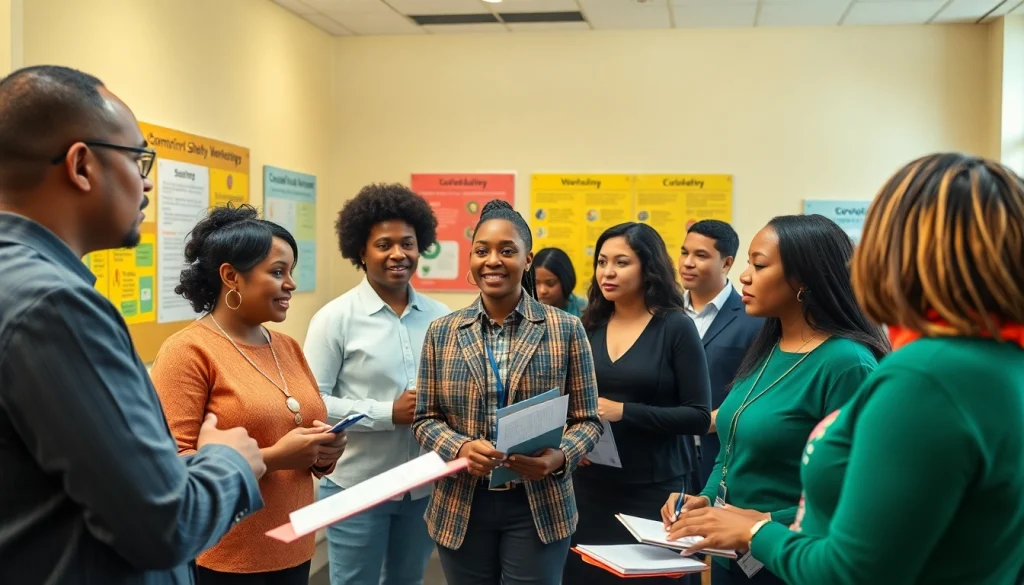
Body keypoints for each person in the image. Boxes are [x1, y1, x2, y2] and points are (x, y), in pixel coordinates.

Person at [667, 153, 1024, 584]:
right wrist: (715, 507)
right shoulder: (998, 358)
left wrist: (755, 529)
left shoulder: (923, 375)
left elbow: (852, 569)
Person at [0, 65, 265, 584]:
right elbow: (163, 524)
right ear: (81, 165)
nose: (146, 182)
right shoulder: (54, 306)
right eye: (138, 159)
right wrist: (227, 462)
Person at [661, 214, 889, 585]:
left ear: (803, 281)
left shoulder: (847, 363)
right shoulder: (767, 346)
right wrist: (703, 502)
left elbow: (855, 489)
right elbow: (731, 447)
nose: (744, 277)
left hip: (790, 558)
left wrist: (759, 522)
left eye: (759, 265)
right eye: (748, 263)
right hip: (731, 556)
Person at [150, 204, 346, 585]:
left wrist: (323, 454)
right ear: (230, 277)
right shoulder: (187, 351)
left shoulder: (286, 345)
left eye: (291, 271)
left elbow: (297, 429)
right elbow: (172, 466)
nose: (290, 283)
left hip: (293, 542)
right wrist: (275, 458)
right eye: (277, 272)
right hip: (225, 556)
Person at [413, 199, 603, 585]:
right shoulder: (442, 332)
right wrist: (461, 448)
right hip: (462, 501)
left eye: (507, 251)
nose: (493, 260)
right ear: (471, 259)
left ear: (528, 259)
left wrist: (560, 457)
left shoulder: (565, 328)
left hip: (539, 503)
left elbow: (588, 420)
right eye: (482, 251)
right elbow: (425, 419)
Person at [304, 183, 449, 585]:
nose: (398, 254)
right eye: (384, 244)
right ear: (361, 252)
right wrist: (388, 413)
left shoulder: (441, 318)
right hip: (356, 483)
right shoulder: (335, 318)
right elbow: (311, 400)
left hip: (420, 485)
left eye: (408, 243)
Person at [562, 222, 712, 585]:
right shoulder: (588, 325)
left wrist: (623, 411)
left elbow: (698, 416)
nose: (607, 272)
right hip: (592, 484)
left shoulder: (675, 326)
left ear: (648, 267)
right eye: (601, 262)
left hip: (656, 490)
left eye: (621, 262)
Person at [678, 220, 763, 486]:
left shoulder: (754, 319)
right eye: (684, 252)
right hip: (669, 454)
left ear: (726, 263)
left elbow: (757, 390)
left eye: (700, 255)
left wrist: (707, 421)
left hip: (722, 454)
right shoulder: (665, 315)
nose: (688, 263)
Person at [534, 247, 587, 317]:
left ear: (565, 281)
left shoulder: (586, 313)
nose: (542, 290)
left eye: (550, 283)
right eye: (535, 283)